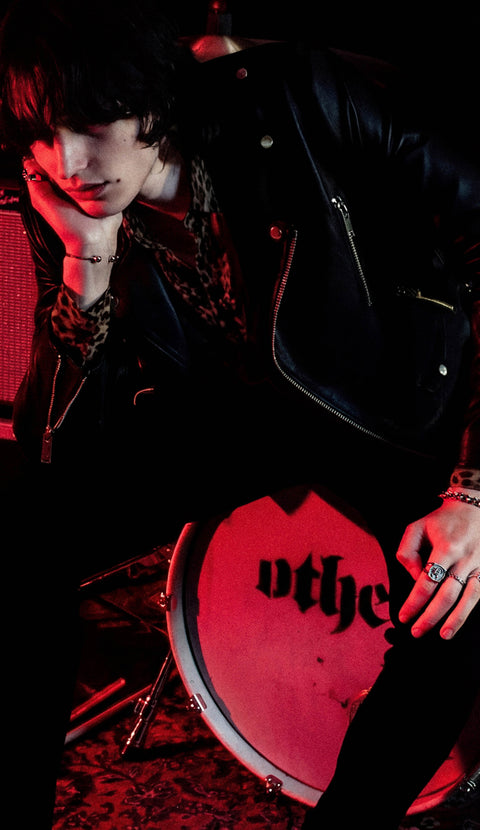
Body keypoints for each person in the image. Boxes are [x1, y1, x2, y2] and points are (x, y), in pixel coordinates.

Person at [0, 0, 478, 828]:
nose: (69, 161)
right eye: (42, 135)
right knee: (24, 534)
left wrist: (474, 488)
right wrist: (85, 268)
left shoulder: (294, 98)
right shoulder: (66, 202)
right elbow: (62, 455)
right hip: (235, 411)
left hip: (381, 405)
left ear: (151, 95)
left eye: (92, 121)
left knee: (452, 617)